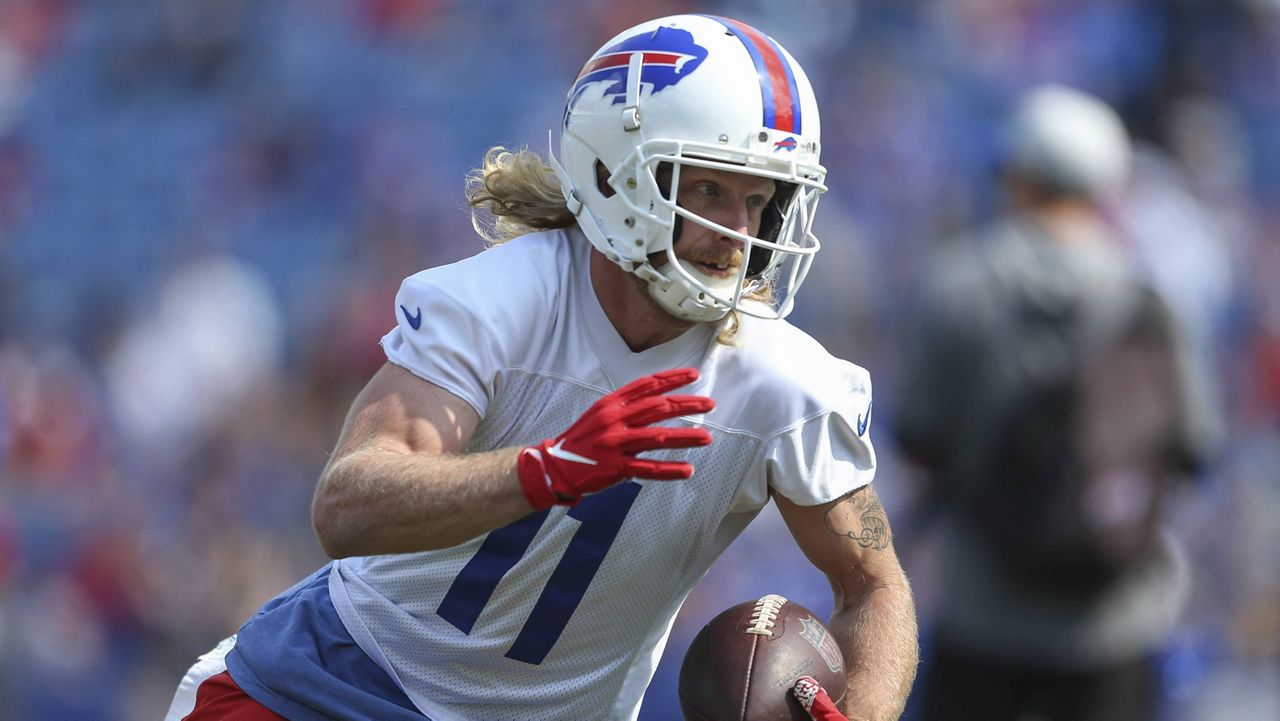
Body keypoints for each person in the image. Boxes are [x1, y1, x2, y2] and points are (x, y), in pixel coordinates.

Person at [165, 14, 917, 721]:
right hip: (335, 685)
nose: (738, 233)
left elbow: (875, 584)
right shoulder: (500, 303)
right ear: (617, 176)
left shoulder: (788, 383)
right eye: (711, 190)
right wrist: (543, 471)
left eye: (762, 201)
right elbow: (346, 503)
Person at [894, 85, 1223, 721]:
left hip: (983, 610)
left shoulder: (958, 286)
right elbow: (1196, 447)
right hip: (1114, 620)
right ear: (1107, 186)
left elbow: (919, 434)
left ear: (1018, 176)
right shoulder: (1149, 297)